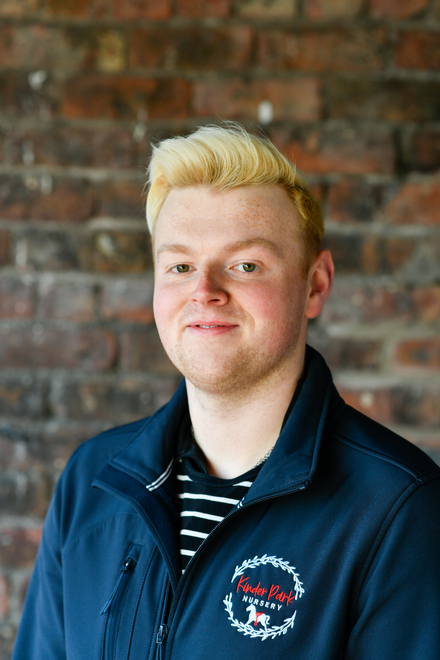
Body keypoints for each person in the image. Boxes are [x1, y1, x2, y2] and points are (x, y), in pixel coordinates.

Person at [13, 124, 440, 660]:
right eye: (180, 266)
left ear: (315, 285)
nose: (204, 291)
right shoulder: (91, 481)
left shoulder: (397, 508)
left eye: (245, 265)